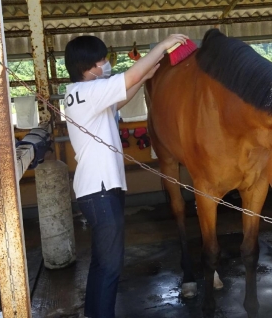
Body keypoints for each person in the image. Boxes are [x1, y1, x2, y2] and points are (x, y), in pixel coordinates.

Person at [63, 33, 189, 318]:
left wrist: (146, 77)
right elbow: (128, 78)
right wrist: (163, 45)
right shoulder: (89, 91)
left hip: (97, 191)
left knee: (101, 264)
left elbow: (119, 99)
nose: (106, 64)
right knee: (110, 267)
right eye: (103, 60)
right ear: (89, 65)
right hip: (101, 190)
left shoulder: (81, 93)